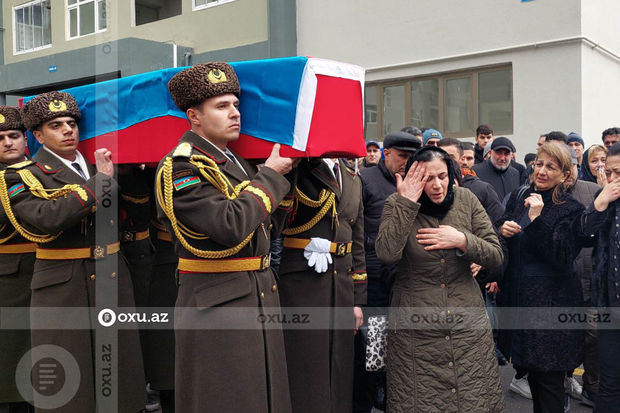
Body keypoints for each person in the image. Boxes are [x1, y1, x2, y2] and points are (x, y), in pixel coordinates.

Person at [155, 62, 296, 413]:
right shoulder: (181, 166)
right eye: (222, 106)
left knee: (262, 396)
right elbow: (229, 226)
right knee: (225, 398)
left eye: (236, 105)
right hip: (216, 303)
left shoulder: (236, 162)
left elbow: (265, 227)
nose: (235, 113)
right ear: (194, 116)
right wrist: (271, 177)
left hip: (256, 292)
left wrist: (282, 181)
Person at [0, 91, 146, 412]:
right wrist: (99, 183)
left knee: (120, 373)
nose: (68, 130)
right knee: (70, 378)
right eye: (56, 126)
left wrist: (131, 173)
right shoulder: (20, 175)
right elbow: (45, 217)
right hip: (64, 285)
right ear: (38, 136)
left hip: (112, 276)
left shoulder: (98, 163)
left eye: (71, 123)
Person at [375, 146, 505, 412]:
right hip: (416, 331)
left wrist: (463, 240)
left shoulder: (466, 199)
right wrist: (406, 204)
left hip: (467, 327)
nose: (437, 185)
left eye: (442, 176)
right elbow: (387, 253)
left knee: (473, 401)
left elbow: (495, 254)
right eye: (428, 178)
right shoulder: (397, 203)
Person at [498, 142, 587, 413]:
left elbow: (562, 256)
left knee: (549, 387)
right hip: (521, 305)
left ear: (565, 175)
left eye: (551, 167)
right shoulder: (520, 196)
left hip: (552, 312)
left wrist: (537, 220)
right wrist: (503, 230)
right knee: (534, 381)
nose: (542, 171)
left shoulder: (571, 208)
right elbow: (506, 236)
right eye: (539, 164)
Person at [278, 154, 366, 413]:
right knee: (307, 363)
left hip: (341, 283)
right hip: (303, 282)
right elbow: (278, 220)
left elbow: (357, 239)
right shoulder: (299, 168)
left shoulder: (352, 176)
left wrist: (357, 299)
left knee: (340, 365)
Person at [354, 131, 419, 412]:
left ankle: (395, 390)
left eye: (411, 157)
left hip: (407, 274)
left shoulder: (419, 181)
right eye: (402, 156)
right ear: (387, 153)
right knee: (376, 340)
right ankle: (376, 389)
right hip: (376, 276)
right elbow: (356, 229)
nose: (407, 162)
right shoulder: (365, 180)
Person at [0, 106, 35, 413]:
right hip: (8, 278)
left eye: (13, 135)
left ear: (26, 139)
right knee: (13, 349)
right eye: (0, 139)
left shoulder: (43, 171)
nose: (8, 142)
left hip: (50, 269)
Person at [581, 142, 620, 413]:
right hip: (609, 307)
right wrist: (600, 203)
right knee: (609, 384)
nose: (612, 179)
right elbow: (583, 234)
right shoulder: (603, 199)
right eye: (609, 172)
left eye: (618, 173)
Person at [565, 149, 600, 406]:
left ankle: (592, 386)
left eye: (572, 166)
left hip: (589, 280)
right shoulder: (541, 193)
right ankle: (562, 380)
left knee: (594, 334)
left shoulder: (593, 191)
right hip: (559, 283)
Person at [473, 136, 521, 201]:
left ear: (511, 155)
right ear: (490, 153)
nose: (502, 158)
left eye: (506, 154)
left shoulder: (515, 174)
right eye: (499, 153)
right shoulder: (476, 171)